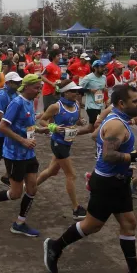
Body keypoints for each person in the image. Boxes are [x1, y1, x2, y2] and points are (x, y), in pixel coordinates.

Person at [44, 85, 137, 273]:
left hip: (118, 180)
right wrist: (134, 156)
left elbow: (96, 136)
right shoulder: (117, 126)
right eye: (135, 102)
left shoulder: (115, 117)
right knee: (92, 225)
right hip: (107, 183)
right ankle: (55, 245)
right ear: (122, 104)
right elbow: (109, 155)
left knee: (129, 223)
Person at [0, 74, 49, 236]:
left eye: (40, 87)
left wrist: (40, 129)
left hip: (29, 153)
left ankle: (19, 223)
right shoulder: (17, 103)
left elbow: (26, 125)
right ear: (27, 87)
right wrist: (23, 141)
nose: (39, 90)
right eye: (36, 87)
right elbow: (2, 126)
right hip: (15, 155)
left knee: (32, 188)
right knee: (15, 194)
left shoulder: (29, 102)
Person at [36, 80, 90, 220]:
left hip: (68, 143)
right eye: (74, 91)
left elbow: (76, 120)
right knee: (71, 175)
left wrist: (81, 122)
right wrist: (53, 127)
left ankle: (28, 187)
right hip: (58, 143)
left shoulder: (77, 105)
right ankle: (76, 208)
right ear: (65, 92)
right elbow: (42, 121)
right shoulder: (56, 106)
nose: (77, 94)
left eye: (78, 91)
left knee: (52, 171)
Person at [80, 60, 107, 136]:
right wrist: (89, 90)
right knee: (98, 125)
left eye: (104, 66)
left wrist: (104, 90)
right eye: (101, 67)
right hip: (91, 105)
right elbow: (78, 88)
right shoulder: (88, 77)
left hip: (99, 105)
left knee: (90, 129)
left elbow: (102, 90)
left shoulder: (104, 77)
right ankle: (99, 142)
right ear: (95, 67)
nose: (104, 68)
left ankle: (71, 133)